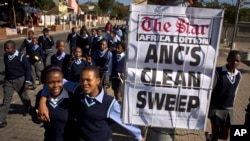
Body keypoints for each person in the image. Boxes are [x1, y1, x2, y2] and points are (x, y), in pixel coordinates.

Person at [38, 66, 145, 141]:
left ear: (98, 81)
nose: (84, 84)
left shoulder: (109, 102)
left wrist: (138, 136)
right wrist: (42, 100)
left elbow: (124, 121)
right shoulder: (78, 90)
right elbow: (56, 81)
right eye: (82, 80)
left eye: (89, 80)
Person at [31, 65, 75, 141]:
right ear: (45, 83)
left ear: (63, 81)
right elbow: (35, 116)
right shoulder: (41, 95)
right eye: (51, 82)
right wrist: (38, 119)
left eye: (59, 81)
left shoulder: (71, 96)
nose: (55, 86)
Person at [207, 50, 242, 141]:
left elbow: (235, 91)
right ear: (227, 59)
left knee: (224, 136)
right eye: (232, 60)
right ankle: (212, 137)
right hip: (216, 107)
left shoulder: (239, 75)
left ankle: (208, 136)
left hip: (228, 108)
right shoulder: (218, 73)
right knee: (215, 134)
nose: (235, 62)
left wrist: (232, 104)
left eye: (237, 61)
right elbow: (211, 90)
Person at [0, 40, 32, 128]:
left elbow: (28, 69)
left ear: (14, 48)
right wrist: (6, 79)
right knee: (6, 100)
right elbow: (7, 68)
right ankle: (2, 120)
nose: (6, 50)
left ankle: (28, 108)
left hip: (20, 80)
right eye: (5, 48)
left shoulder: (21, 56)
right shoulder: (6, 56)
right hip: (9, 81)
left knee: (24, 97)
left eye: (8, 48)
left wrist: (27, 81)